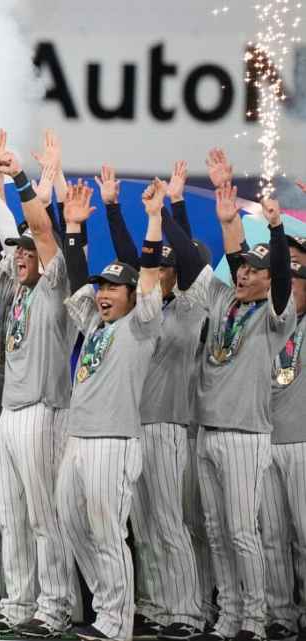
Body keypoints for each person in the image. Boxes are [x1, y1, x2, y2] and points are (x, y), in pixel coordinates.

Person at [100, 163, 208, 641]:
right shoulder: (145, 312)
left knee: (168, 521)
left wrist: (168, 209)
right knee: (142, 528)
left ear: (178, 271)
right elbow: (132, 259)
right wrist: (112, 210)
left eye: (167, 266)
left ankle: (186, 611)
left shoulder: (191, 306)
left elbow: (189, 260)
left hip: (167, 425)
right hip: (134, 425)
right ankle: (159, 606)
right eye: (156, 266)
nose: (159, 271)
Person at [188, 164, 295, 641]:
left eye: (256, 270)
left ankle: (254, 619)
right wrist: (228, 219)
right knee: (215, 534)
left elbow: (280, 280)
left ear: (270, 279)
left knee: (242, 532)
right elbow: (227, 260)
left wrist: (274, 229)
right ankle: (229, 616)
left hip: (248, 435)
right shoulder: (224, 302)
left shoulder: (277, 315)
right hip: (208, 430)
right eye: (243, 270)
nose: (246, 275)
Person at [56, 180, 164, 641]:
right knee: (74, 525)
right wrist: (75, 227)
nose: (102, 294)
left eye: (114, 288)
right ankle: (106, 611)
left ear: (132, 295)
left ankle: (117, 622)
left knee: (108, 533)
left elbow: (151, 273)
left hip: (114, 441)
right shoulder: (96, 325)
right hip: (79, 439)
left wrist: (155, 219)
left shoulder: (141, 326)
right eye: (103, 286)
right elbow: (78, 280)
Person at [0, 131, 78, 637]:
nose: (19, 255)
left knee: (45, 517)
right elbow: (3, 235)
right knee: (11, 517)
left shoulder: (57, 286)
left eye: (27, 251)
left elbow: (40, 231)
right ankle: (19, 603)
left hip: (45, 410)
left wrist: (22, 178)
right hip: (11, 414)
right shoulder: (13, 289)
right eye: (15, 252)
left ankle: (55, 607)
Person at [259, 257, 306, 641]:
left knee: (305, 536)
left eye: (294, 284)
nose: (286, 293)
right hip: (264, 441)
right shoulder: (265, 324)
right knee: (271, 536)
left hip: (303, 442)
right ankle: (280, 615)